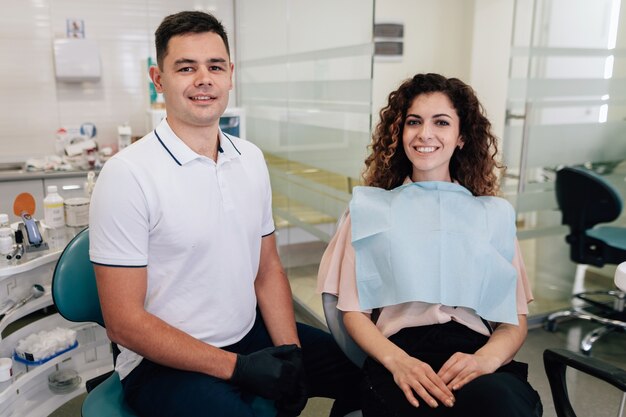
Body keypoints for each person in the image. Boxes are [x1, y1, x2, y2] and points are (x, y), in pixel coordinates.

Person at [89, 10, 361, 417]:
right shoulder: (127, 175)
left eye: (215, 66)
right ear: (158, 79)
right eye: (186, 68)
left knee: (366, 375)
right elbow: (123, 322)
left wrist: (290, 353)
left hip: (249, 334)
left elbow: (267, 269)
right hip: (162, 363)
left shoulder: (248, 158)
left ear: (230, 73)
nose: (204, 79)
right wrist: (240, 369)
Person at [318, 73, 543, 417]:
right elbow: (353, 312)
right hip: (400, 353)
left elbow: (513, 321)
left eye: (441, 122)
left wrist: (486, 359)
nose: (425, 134)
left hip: (472, 354)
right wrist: (399, 363)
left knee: (500, 404)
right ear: (399, 133)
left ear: (462, 137)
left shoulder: (492, 215)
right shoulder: (370, 210)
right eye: (414, 122)